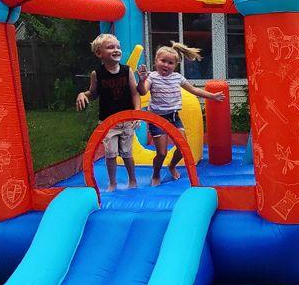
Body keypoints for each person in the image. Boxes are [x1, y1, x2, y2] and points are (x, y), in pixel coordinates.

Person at [137, 42, 225, 185]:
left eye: (170, 63)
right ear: (156, 61)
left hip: (173, 117)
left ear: (175, 65)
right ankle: (156, 174)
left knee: (183, 146)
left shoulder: (178, 78)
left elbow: (194, 91)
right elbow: (142, 91)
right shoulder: (151, 77)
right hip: (157, 118)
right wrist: (141, 81)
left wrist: (212, 96)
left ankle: (172, 166)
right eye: (163, 61)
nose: (166, 65)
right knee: (161, 153)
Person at [75, 33, 140, 192]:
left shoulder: (127, 71)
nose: (116, 50)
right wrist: (83, 94)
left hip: (126, 120)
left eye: (118, 47)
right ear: (99, 53)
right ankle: (113, 182)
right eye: (111, 47)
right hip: (108, 122)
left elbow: (134, 93)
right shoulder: (97, 74)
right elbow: (94, 93)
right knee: (110, 153)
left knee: (126, 153)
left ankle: (132, 180)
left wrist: (137, 112)